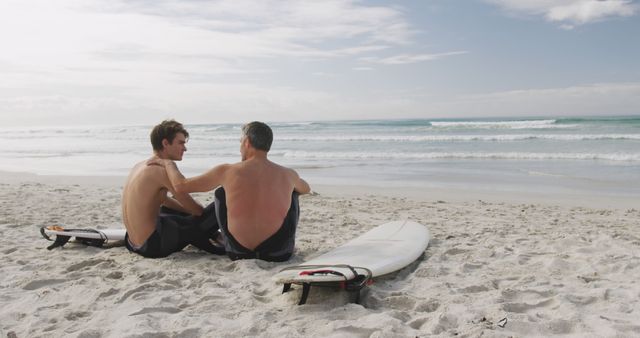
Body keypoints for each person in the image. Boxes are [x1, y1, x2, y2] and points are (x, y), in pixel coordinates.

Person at [149, 121, 311, 262]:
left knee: (222, 193)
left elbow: (180, 186)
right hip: (278, 253)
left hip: (238, 252)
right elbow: (306, 189)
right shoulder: (288, 174)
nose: (240, 147)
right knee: (293, 193)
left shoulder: (227, 171)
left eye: (241, 141)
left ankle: (227, 239)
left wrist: (167, 163)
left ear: (247, 142)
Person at [122, 119, 225, 258]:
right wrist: (195, 212)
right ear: (165, 143)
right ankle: (219, 240)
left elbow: (162, 199)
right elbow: (198, 211)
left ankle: (213, 237)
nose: (185, 148)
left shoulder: (139, 166)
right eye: (181, 143)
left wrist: (187, 212)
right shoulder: (162, 170)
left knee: (169, 209)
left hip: (132, 242)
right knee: (223, 198)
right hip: (153, 246)